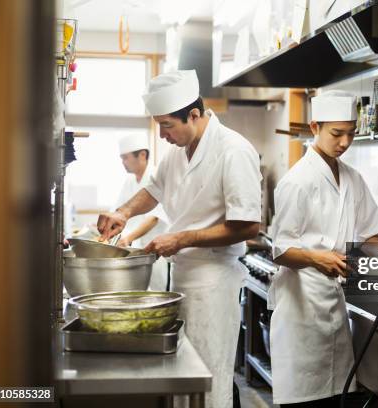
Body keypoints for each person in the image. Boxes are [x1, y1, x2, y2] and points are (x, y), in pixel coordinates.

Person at [97, 70, 262, 408]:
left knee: (208, 379)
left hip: (214, 284)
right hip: (183, 280)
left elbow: (248, 226)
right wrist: (123, 213)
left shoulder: (233, 150)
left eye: (167, 125)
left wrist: (181, 239)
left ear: (194, 115)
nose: (162, 134)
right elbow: (151, 192)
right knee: (184, 380)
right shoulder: (176, 152)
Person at [268, 90, 378, 407]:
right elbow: (280, 250)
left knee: (335, 398)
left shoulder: (352, 178)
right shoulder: (297, 181)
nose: (345, 142)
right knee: (305, 400)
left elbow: (370, 236)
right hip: (301, 310)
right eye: (337, 133)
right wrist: (316, 258)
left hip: (333, 304)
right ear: (314, 127)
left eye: (351, 133)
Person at [114, 134, 169, 291]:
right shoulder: (129, 181)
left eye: (125, 157)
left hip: (154, 249)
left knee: (155, 296)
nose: (122, 162)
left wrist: (128, 238)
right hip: (132, 248)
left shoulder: (156, 176)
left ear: (142, 155)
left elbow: (154, 218)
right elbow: (118, 211)